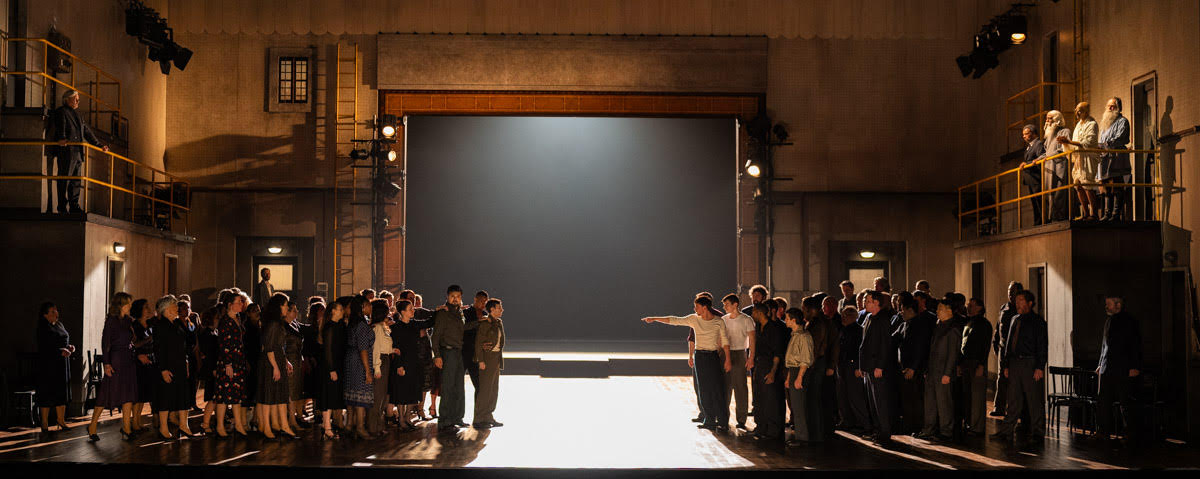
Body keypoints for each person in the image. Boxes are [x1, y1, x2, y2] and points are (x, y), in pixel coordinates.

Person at [643, 294, 733, 431]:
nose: (694, 309)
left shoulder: (718, 321)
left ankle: (722, 421)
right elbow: (674, 320)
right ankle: (709, 420)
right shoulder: (693, 319)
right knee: (703, 389)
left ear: (704, 307)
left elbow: (725, 341)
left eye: (696, 306)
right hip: (700, 356)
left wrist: (728, 359)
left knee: (717, 388)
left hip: (713, 356)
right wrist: (655, 319)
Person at [991, 290, 1048, 443]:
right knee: (1013, 399)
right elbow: (1009, 344)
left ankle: (1038, 432)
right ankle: (1006, 430)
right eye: (1017, 300)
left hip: (1030, 362)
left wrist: (1039, 367)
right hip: (1015, 362)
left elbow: (1042, 346)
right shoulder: (1014, 319)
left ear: (1030, 303)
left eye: (1021, 300)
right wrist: (1006, 365)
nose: (1018, 303)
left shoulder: (1038, 322)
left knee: (1034, 399)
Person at [88, 293, 138, 441]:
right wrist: (106, 363)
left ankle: (127, 428)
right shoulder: (111, 321)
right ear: (121, 304)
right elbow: (105, 343)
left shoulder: (128, 321)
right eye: (128, 303)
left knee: (128, 394)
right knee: (106, 393)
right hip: (116, 359)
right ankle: (92, 425)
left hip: (128, 359)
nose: (130, 306)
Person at [49, 89, 108, 213]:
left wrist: (99, 145)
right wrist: (62, 138)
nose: (78, 100)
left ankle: (74, 205)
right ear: (67, 99)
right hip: (67, 151)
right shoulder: (61, 111)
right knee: (65, 178)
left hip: (78, 152)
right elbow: (61, 126)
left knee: (76, 180)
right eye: (75, 98)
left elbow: (87, 132)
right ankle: (62, 205)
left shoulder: (79, 115)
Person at [1095, 295, 1142, 443]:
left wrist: (1135, 366)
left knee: (1125, 402)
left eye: (1108, 304)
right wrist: (1100, 363)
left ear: (1118, 305)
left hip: (1123, 367)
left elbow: (1135, 345)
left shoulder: (1130, 321)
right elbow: (1105, 345)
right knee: (1104, 401)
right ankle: (1103, 432)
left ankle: (1130, 433)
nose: (1106, 307)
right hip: (1108, 367)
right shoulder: (1109, 321)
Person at [151, 295, 198, 440]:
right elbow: (158, 349)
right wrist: (163, 369)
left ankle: (184, 426)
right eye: (174, 306)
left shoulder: (177, 323)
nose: (177, 308)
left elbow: (187, 341)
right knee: (166, 397)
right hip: (168, 366)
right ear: (166, 309)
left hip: (180, 365)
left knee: (183, 396)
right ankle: (164, 428)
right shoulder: (160, 325)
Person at [917, 298, 962, 441]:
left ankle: (946, 431)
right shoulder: (938, 326)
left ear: (949, 311)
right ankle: (928, 429)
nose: (937, 311)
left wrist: (948, 373)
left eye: (940, 309)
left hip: (943, 372)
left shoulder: (953, 329)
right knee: (930, 402)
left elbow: (953, 354)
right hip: (932, 370)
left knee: (944, 403)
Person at [860, 290, 898, 446]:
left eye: (868, 300)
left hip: (877, 366)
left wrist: (880, 366)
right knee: (872, 400)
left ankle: (884, 432)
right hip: (868, 366)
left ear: (876, 303)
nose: (865, 303)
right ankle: (877, 430)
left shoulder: (883, 320)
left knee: (880, 401)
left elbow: (885, 345)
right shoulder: (869, 317)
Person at [432, 285, 471, 433]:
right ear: (447, 297)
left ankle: (457, 417)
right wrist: (437, 355)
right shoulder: (443, 313)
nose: (455, 299)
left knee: (458, 387)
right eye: (452, 296)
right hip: (447, 353)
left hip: (458, 353)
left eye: (458, 296)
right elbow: (435, 337)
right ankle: (445, 420)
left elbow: (462, 329)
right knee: (448, 387)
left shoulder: (459, 312)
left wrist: (480, 322)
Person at [213, 290, 251, 438]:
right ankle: (220, 426)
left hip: (238, 360)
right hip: (228, 362)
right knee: (223, 396)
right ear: (230, 305)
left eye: (242, 302)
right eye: (238, 302)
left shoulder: (238, 318)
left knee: (237, 396)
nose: (241, 304)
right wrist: (228, 364)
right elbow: (224, 343)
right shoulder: (225, 321)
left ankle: (239, 425)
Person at [893, 292, 932, 435]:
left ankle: (917, 426)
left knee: (915, 399)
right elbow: (893, 340)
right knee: (907, 399)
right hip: (905, 368)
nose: (900, 312)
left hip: (914, 370)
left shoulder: (919, 326)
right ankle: (909, 426)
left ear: (910, 310)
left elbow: (920, 349)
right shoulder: (904, 325)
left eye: (902, 309)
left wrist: (913, 368)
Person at [390, 299, 431, 431]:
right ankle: (401, 419)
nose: (413, 311)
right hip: (402, 362)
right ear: (402, 312)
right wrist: (399, 365)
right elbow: (395, 349)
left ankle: (408, 418)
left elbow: (429, 321)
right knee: (402, 393)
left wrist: (441, 310)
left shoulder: (414, 324)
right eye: (410, 309)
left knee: (413, 391)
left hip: (414, 362)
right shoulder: (395, 328)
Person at [749, 303, 787, 440]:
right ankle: (761, 427)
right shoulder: (758, 327)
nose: (752, 315)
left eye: (753, 312)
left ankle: (773, 430)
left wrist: (772, 372)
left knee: (771, 398)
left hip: (770, 364)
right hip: (760, 364)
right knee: (759, 397)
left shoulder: (774, 329)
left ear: (759, 313)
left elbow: (778, 352)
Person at [35, 302, 74, 433]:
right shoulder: (42, 327)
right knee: (47, 392)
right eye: (52, 311)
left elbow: (64, 340)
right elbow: (45, 346)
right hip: (48, 364)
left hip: (62, 363)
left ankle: (61, 420)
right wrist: (60, 350)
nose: (56, 313)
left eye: (56, 310)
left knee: (61, 391)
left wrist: (69, 347)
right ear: (45, 314)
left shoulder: (59, 324)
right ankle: (44, 423)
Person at [1058, 101, 1101, 220]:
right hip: (1078, 158)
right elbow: (1074, 142)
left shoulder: (1092, 124)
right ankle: (1085, 213)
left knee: (1087, 184)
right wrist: (1065, 144)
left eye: (1080, 110)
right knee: (1078, 185)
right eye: (1076, 110)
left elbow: (1090, 142)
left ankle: (1094, 213)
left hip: (1087, 157)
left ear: (1086, 111)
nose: (1077, 112)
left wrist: (1069, 142)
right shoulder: (1078, 125)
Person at [800, 296, 834, 442]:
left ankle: (816, 434)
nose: (803, 312)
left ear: (810, 310)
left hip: (815, 364)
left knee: (813, 399)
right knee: (815, 399)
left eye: (804, 309)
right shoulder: (819, 322)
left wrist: (807, 366)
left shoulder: (817, 324)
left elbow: (814, 347)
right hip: (817, 363)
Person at [316, 297, 351, 439]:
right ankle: (327, 428)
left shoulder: (338, 325)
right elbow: (328, 350)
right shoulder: (330, 327)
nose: (343, 311)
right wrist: (331, 369)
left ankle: (327, 427)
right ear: (333, 311)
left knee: (332, 397)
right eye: (340, 309)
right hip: (330, 367)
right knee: (328, 397)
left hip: (336, 365)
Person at [780, 307, 814, 446]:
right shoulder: (795, 335)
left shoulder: (804, 336)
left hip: (800, 372)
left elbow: (805, 360)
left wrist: (799, 377)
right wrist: (789, 378)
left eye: (787, 318)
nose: (785, 320)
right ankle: (800, 436)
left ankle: (803, 438)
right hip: (794, 371)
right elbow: (791, 360)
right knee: (795, 406)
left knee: (800, 407)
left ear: (794, 320)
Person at [721, 294, 755, 430]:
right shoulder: (723, 319)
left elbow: (752, 339)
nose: (725, 307)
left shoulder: (746, 319)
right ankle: (723, 417)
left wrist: (751, 357)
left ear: (735, 304)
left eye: (727, 304)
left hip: (740, 352)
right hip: (725, 353)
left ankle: (741, 419)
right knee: (725, 386)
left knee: (740, 387)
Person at [834, 306, 870, 434]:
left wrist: (858, 366)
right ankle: (847, 421)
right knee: (842, 395)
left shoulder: (858, 331)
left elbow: (861, 350)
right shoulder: (843, 330)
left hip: (852, 366)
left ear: (853, 317)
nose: (843, 317)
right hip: (842, 365)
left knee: (855, 396)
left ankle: (863, 423)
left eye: (846, 315)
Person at [343, 295, 375, 439]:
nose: (370, 307)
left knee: (352, 393)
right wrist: (368, 370)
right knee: (361, 394)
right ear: (362, 307)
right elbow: (363, 348)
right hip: (360, 362)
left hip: (350, 360)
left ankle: (349, 425)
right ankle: (360, 428)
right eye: (368, 305)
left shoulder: (352, 323)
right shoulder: (361, 325)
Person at [960, 298, 992, 435]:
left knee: (977, 396)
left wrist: (981, 365)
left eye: (971, 306)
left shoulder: (984, 324)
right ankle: (969, 423)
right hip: (966, 362)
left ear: (980, 307)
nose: (968, 308)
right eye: (968, 305)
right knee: (967, 395)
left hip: (976, 363)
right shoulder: (969, 322)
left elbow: (985, 347)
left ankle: (977, 427)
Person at [473, 298, 507, 428]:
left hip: (496, 358)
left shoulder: (498, 322)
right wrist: (481, 360)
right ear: (492, 309)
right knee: (485, 390)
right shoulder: (485, 323)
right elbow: (478, 343)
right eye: (499, 308)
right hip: (487, 359)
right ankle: (479, 419)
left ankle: (488, 416)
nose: (501, 310)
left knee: (493, 390)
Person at [990, 281, 1022, 417]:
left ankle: (1016, 409)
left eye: (1013, 291)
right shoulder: (1004, 308)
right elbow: (999, 327)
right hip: (1003, 349)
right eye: (1009, 290)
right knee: (1001, 379)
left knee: (1015, 380)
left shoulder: (1021, 309)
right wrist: (995, 343)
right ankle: (999, 407)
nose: (1010, 293)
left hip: (1016, 351)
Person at [1097, 97, 1132, 221]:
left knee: (1117, 186)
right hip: (1105, 159)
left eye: (1113, 106)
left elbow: (1119, 138)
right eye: (1109, 106)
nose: (1110, 108)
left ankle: (1116, 213)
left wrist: (1104, 146)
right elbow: (1101, 141)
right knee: (1106, 187)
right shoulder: (1104, 125)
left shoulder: (1123, 121)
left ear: (1118, 107)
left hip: (1117, 158)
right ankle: (1107, 213)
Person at [1039, 110, 1074, 222]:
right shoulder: (1048, 136)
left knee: (1060, 192)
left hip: (1060, 166)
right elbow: (1046, 152)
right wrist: (1037, 160)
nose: (1047, 121)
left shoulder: (1065, 132)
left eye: (1050, 118)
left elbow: (1063, 150)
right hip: (1049, 167)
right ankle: (1051, 217)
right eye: (1046, 118)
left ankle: (1060, 217)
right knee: (1049, 193)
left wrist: (1048, 157)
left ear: (1057, 120)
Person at [367, 299, 393, 435]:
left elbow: (384, 345)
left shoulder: (383, 326)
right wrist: (377, 368)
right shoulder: (377, 328)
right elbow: (376, 349)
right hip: (380, 362)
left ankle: (378, 426)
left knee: (382, 396)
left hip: (386, 359)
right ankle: (373, 427)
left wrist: (393, 350)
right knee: (377, 396)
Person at [130, 298, 155, 432]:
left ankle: (138, 422)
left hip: (149, 360)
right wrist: (148, 340)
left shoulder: (150, 325)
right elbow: (133, 344)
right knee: (139, 394)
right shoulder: (135, 326)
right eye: (146, 307)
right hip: (138, 362)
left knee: (144, 393)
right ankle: (135, 422)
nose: (148, 308)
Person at [1018, 124, 1049, 225]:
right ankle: (1038, 221)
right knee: (1034, 202)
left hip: (1036, 177)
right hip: (1030, 178)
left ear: (1033, 133)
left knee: (1039, 200)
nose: (1024, 136)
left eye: (1026, 134)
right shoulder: (1029, 147)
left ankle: (1043, 220)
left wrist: (1026, 164)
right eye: (1023, 135)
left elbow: (1040, 157)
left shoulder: (1038, 144)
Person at [197, 307, 220, 434]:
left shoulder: (211, 332)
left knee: (214, 397)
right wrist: (213, 369)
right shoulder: (208, 334)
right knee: (212, 398)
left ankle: (208, 423)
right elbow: (208, 354)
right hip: (212, 370)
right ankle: (205, 423)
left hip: (213, 368)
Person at [462, 290, 489, 393]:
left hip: (477, 355)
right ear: (475, 299)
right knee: (459, 384)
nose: (483, 304)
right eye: (481, 301)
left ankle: (478, 409)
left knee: (479, 385)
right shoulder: (466, 312)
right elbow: (463, 327)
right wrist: (478, 322)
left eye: (485, 302)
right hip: (464, 352)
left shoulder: (485, 314)